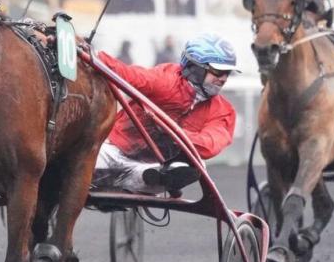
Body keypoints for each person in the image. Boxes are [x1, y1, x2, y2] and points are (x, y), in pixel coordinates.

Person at [93, 33, 238, 196]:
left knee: (194, 166)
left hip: (153, 167)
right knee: (78, 162)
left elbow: (212, 143)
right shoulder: (166, 81)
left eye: (228, 73)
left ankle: (142, 178)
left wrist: (174, 133)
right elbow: (125, 73)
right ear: (195, 68)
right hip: (114, 151)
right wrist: (92, 53)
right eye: (218, 71)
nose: (223, 78)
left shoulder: (223, 110)